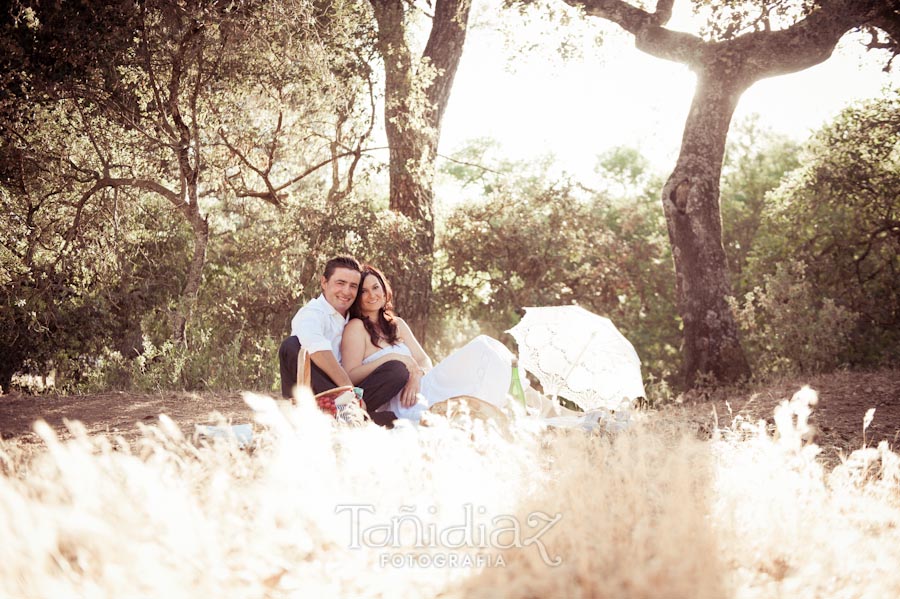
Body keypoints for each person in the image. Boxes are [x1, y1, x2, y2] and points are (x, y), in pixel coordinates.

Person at [340, 264, 514, 423]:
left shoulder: (397, 324)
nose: (372, 295)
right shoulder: (356, 327)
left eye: (375, 287)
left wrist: (416, 376)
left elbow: (424, 361)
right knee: (481, 348)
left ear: (384, 289)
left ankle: (488, 409)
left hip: (421, 385)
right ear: (357, 297)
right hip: (399, 400)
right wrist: (393, 358)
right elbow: (351, 375)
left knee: (483, 347)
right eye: (364, 291)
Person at [278, 256, 408, 426]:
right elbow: (319, 351)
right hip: (315, 391)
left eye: (353, 286)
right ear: (324, 282)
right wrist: (351, 393)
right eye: (340, 283)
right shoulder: (311, 314)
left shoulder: (353, 319)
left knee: (396, 370)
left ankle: (348, 418)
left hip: (347, 394)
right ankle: (351, 417)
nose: (346, 291)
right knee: (291, 345)